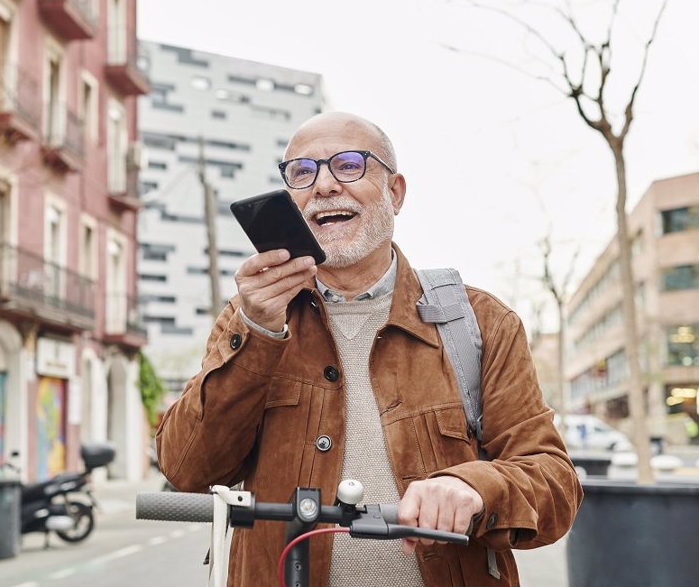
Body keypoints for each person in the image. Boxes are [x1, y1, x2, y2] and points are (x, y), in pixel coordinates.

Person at [155, 111, 582, 587]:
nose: (324, 186)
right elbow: (186, 467)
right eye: (302, 172)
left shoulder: (480, 322)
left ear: (395, 192)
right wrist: (257, 332)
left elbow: (554, 484)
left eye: (349, 164)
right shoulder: (249, 319)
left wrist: (473, 487)